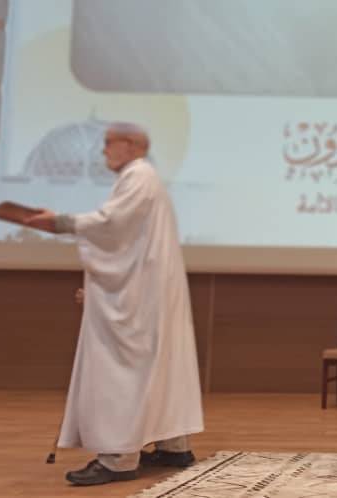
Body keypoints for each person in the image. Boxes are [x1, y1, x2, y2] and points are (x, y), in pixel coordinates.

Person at [26, 122, 204, 486]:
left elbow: (111, 225)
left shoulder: (139, 176)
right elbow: (126, 239)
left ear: (132, 145)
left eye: (109, 142)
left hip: (138, 299)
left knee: (123, 372)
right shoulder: (144, 177)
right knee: (158, 368)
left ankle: (118, 458)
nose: (103, 149)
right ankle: (174, 447)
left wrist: (60, 222)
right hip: (146, 293)